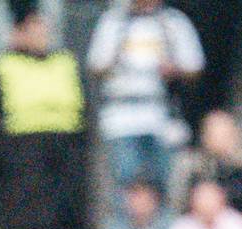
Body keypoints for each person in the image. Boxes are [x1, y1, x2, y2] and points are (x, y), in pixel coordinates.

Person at [0, 12, 86, 229]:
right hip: (23, 148)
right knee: (27, 210)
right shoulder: (7, 64)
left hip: (63, 145)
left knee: (62, 206)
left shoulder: (65, 61)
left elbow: (83, 105)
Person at [84, 0, 203, 192]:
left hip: (160, 115)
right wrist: (117, 56)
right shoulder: (113, 21)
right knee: (125, 186)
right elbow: (96, 66)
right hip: (120, 116)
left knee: (162, 185)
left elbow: (194, 67)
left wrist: (174, 69)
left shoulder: (173, 22)